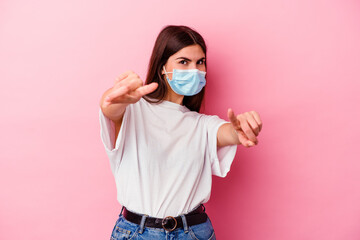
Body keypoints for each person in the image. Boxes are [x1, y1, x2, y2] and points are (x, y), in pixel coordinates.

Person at [99, 25, 262, 240]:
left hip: (193, 232)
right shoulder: (133, 109)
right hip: (136, 233)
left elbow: (229, 133)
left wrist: (241, 129)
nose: (194, 70)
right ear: (162, 67)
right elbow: (110, 107)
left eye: (200, 62)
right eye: (183, 62)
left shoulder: (203, 125)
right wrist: (113, 98)